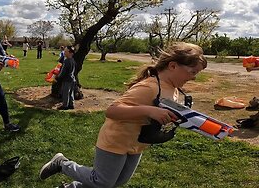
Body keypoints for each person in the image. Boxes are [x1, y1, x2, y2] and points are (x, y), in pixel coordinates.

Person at [39, 42, 207, 187]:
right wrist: (149, 110)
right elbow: (112, 110)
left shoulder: (174, 88)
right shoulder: (151, 87)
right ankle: (62, 164)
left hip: (136, 142)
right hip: (117, 139)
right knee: (102, 182)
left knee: (117, 181)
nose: (194, 78)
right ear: (173, 66)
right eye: (192, 72)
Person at [55, 46, 76, 110]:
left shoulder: (66, 61)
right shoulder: (73, 60)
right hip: (72, 79)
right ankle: (71, 104)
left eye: (66, 51)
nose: (64, 52)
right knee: (70, 92)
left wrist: (57, 77)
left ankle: (65, 106)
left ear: (70, 53)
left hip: (66, 79)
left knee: (65, 92)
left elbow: (62, 72)